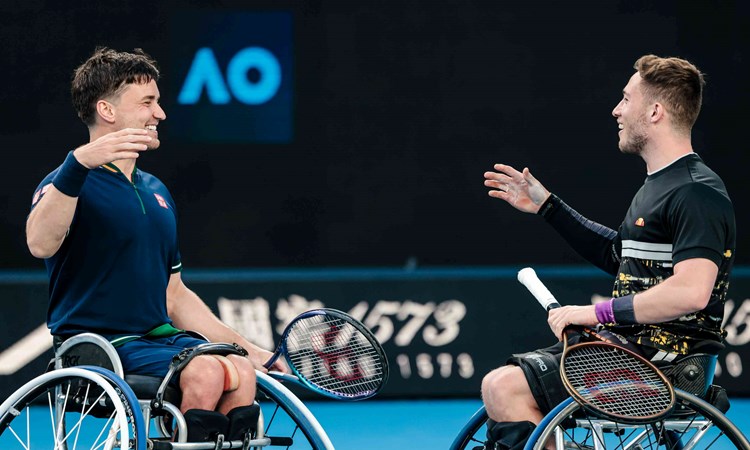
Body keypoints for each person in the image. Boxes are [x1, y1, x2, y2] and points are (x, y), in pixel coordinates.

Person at [26, 47, 284, 442]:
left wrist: (252, 349)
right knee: (206, 370)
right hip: (98, 346)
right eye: (148, 102)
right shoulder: (64, 182)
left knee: (240, 369)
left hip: (159, 340)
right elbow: (40, 244)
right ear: (107, 111)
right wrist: (77, 165)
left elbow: (175, 296)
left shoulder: (156, 190)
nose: (159, 114)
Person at [480, 54, 736, 449]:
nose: (616, 110)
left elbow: (691, 292)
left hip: (666, 365)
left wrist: (591, 312)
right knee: (501, 389)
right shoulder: (660, 186)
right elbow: (619, 255)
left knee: (504, 388)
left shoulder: (695, 191)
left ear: (654, 111)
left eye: (626, 99)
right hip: (631, 350)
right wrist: (548, 206)